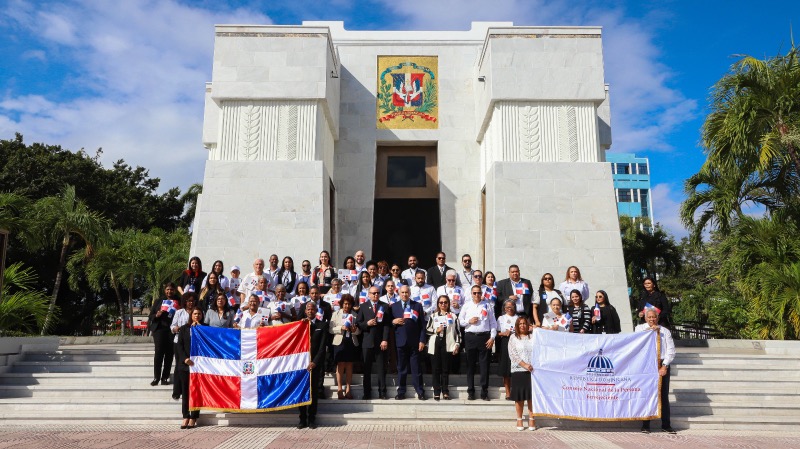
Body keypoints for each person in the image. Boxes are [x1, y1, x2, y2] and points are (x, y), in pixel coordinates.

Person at [636, 308, 677, 434]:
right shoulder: (639, 328)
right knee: (647, 394)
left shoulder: (665, 331)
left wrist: (665, 366)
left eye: (654, 317)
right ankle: (645, 425)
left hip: (661, 363)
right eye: (649, 317)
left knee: (663, 395)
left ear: (657, 318)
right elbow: (636, 342)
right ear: (645, 318)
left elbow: (671, 350)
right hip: (646, 364)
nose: (652, 319)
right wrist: (650, 331)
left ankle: (666, 424)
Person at [459, 284, 498, 401]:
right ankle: (470, 391)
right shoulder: (466, 306)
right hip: (470, 337)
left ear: (482, 294)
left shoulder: (487, 306)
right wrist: (468, 321)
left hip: (484, 338)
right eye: (474, 293)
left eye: (479, 293)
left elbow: (493, 323)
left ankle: (484, 392)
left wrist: (492, 338)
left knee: (484, 366)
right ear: (471, 294)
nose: (477, 295)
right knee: (470, 366)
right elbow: (460, 321)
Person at [390, 285, 427, 400]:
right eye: (402, 292)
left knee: (416, 368)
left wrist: (422, 340)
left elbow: (422, 326)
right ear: (399, 293)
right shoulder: (394, 306)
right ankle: (401, 391)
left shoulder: (417, 305)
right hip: (400, 342)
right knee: (401, 368)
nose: (404, 294)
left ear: (410, 293)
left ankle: (420, 391)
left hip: (414, 342)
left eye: (406, 292)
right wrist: (393, 321)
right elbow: (387, 324)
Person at [356, 286, 390, 400]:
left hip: (380, 342)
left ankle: (382, 392)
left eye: (377, 293)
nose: (375, 295)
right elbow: (358, 323)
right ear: (369, 294)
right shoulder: (363, 306)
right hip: (367, 342)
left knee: (381, 368)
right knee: (367, 369)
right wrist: (367, 324)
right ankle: (367, 393)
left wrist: (385, 339)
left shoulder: (384, 306)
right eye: (373, 293)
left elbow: (386, 325)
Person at [298, 301, 327, 429]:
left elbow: (322, 347)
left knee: (313, 392)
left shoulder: (322, 325)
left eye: (312, 309)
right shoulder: (300, 325)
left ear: (316, 311)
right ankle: (302, 419)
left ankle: (312, 419)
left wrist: (314, 362)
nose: (310, 311)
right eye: (308, 309)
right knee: (301, 392)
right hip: (302, 365)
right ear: (305, 311)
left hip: (315, 365)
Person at [426, 295, 461, 401]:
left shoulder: (453, 316)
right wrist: (436, 330)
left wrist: (457, 344)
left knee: (445, 369)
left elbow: (458, 332)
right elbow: (427, 329)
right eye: (441, 302)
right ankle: (436, 391)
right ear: (438, 304)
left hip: (448, 343)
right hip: (436, 343)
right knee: (436, 369)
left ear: (448, 304)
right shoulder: (433, 316)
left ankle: (445, 391)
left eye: (445, 302)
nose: (443, 304)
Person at [329, 294, 361, 399]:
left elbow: (359, 331)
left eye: (349, 304)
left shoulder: (355, 315)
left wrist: (354, 330)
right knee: (340, 364)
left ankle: (348, 388)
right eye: (345, 304)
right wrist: (341, 328)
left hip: (351, 341)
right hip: (339, 341)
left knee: (349, 365)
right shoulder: (335, 314)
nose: (347, 306)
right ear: (342, 304)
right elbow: (330, 329)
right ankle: (339, 389)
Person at [175, 306, 202, 429]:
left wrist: (200, 328)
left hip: (199, 366)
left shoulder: (204, 328)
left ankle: (194, 417)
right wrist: (185, 359)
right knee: (185, 392)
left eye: (199, 314)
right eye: (195, 314)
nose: (196, 316)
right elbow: (179, 345)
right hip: (185, 366)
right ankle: (185, 416)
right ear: (191, 316)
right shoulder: (184, 329)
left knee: (196, 392)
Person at [508, 316, 536, 431]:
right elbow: (513, 354)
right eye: (520, 324)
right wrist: (524, 365)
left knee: (531, 397)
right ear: (517, 326)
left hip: (532, 371)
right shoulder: (513, 338)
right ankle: (519, 419)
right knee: (519, 397)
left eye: (524, 323)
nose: (522, 325)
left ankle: (532, 419)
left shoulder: (533, 337)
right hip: (519, 370)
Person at [148, 282, 178, 386]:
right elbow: (150, 316)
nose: (169, 291)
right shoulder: (158, 301)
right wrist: (157, 314)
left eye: (171, 289)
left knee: (169, 354)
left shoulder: (178, 301)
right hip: (159, 329)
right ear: (165, 290)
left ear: (174, 290)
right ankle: (156, 377)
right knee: (159, 354)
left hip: (171, 330)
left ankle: (164, 377)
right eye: (168, 289)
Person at [170, 292, 197, 400]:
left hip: (193, 343)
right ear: (185, 302)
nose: (190, 303)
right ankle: (177, 391)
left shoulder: (197, 312)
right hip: (179, 342)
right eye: (188, 301)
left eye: (192, 301)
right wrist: (177, 328)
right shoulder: (179, 312)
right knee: (179, 366)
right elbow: (172, 326)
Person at [497, 298, 518, 400]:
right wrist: (503, 333)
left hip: (517, 343)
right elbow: (496, 333)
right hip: (505, 342)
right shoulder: (501, 318)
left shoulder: (518, 318)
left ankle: (516, 390)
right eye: (507, 307)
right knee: (506, 368)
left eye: (512, 306)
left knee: (515, 368)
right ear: (504, 308)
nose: (510, 308)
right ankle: (508, 392)